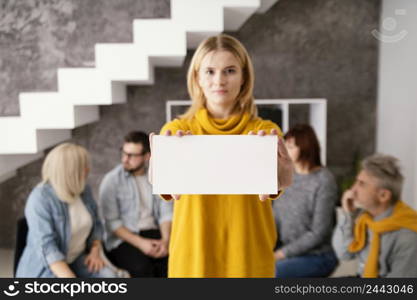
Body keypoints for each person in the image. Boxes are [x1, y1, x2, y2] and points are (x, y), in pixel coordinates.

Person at [152, 34, 294, 277]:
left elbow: (279, 184)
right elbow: (159, 183)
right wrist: (156, 171)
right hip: (193, 259)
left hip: (249, 258)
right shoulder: (175, 133)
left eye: (229, 71)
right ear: (197, 77)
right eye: (209, 71)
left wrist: (285, 176)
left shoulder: (265, 133)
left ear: (244, 77)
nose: (219, 80)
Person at [16, 143, 118, 278]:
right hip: (48, 267)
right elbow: (48, 250)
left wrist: (95, 251)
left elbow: (97, 225)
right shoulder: (40, 199)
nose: (88, 170)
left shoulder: (84, 190)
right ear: (70, 171)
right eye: (83, 166)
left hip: (76, 259)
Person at [99, 131, 173, 277]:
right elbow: (112, 223)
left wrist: (166, 240)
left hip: (154, 231)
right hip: (125, 238)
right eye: (124, 153)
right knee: (143, 269)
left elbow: (166, 212)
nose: (125, 159)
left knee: (171, 263)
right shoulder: (111, 181)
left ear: (147, 156)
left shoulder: (157, 177)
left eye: (132, 155)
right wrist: (141, 243)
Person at [332, 154, 417, 277]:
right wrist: (347, 214)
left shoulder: (408, 237)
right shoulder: (365, 219)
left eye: (361, 184)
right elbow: (344, 254)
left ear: (383, 196)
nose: (353, 189)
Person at [272, 124, 338, 277]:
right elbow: (275, 218)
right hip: (286, 250)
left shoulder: (324, 180)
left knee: (270, 273)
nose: (283, 150)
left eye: (290, 146)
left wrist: (281, 254)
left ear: (305, 148)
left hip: (318, 255)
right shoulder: (286, 176)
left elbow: (318, 233)